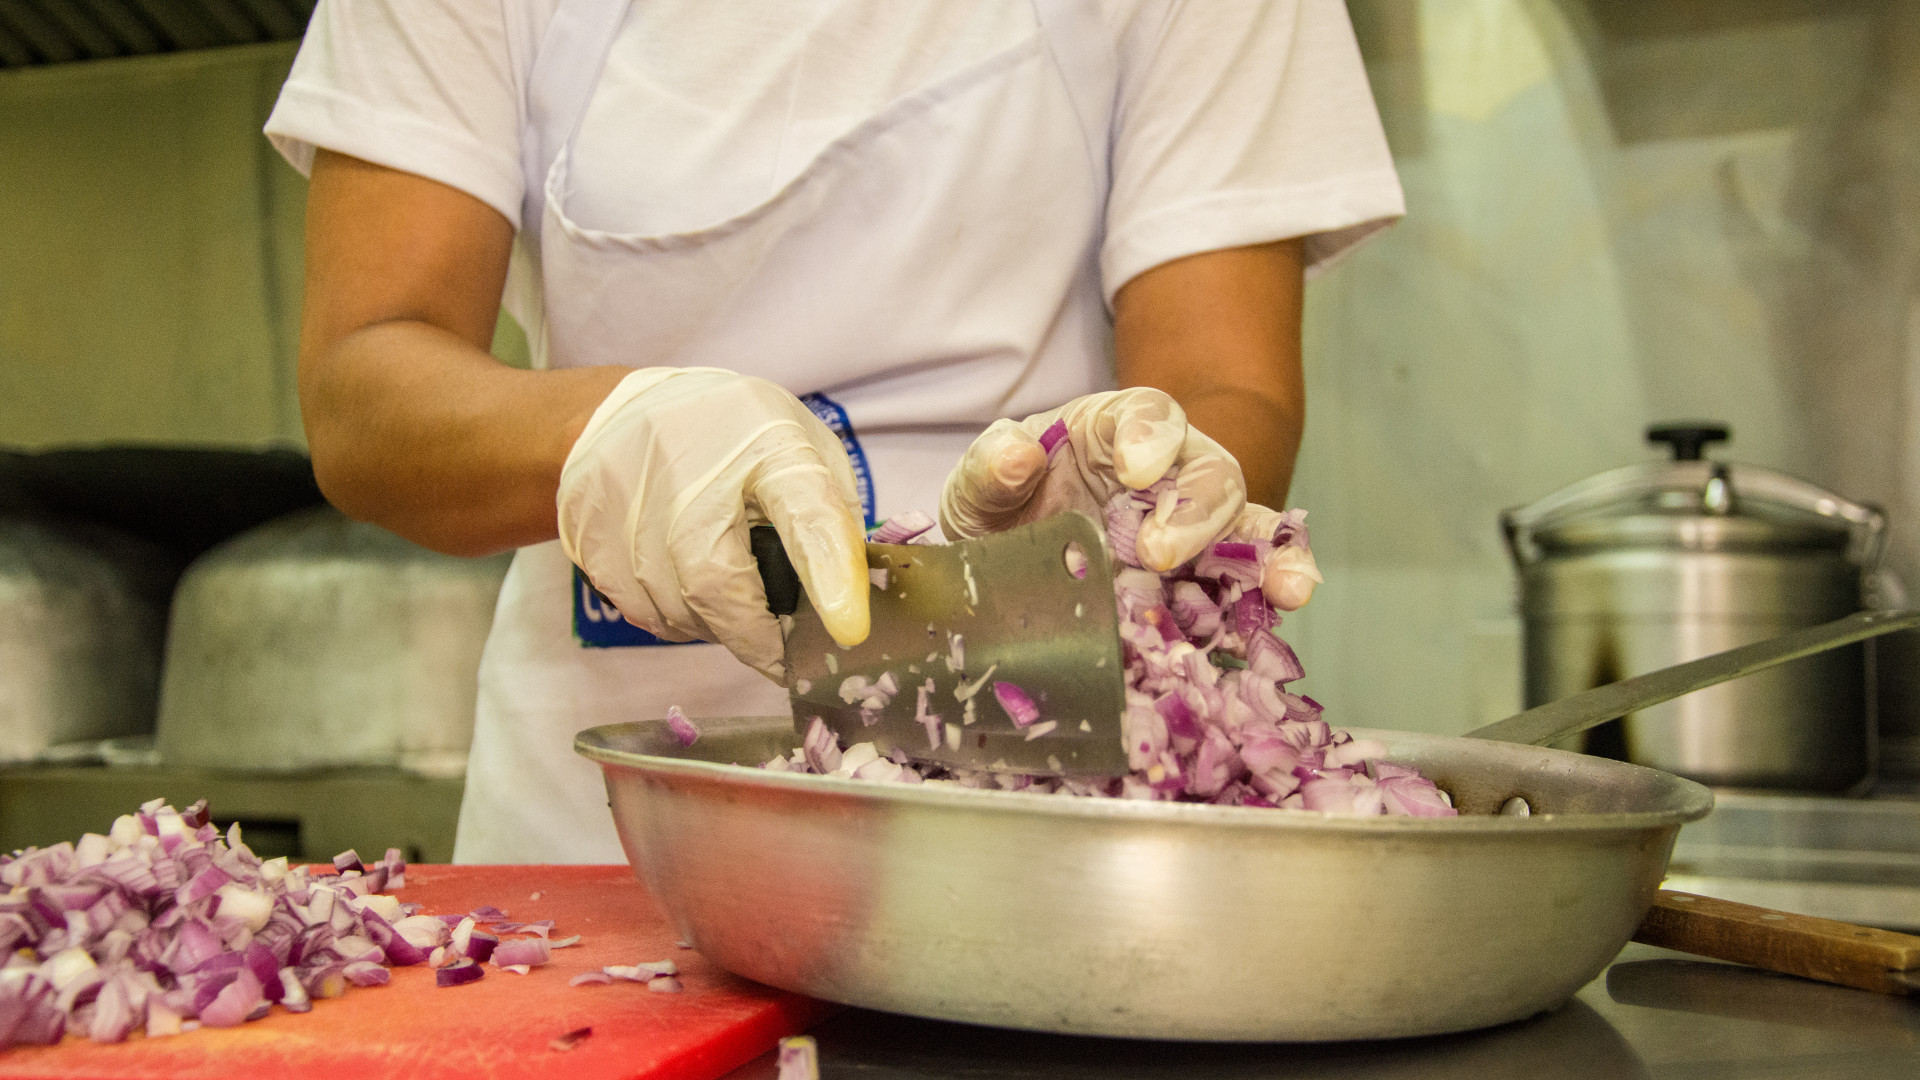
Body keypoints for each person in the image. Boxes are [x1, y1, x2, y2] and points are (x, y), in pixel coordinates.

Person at [265, 0, 1404, 862]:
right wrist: (613, 434)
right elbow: (367, 388)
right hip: (604, 832)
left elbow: (1225, 381)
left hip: (1044, 812)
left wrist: (1129, 498)